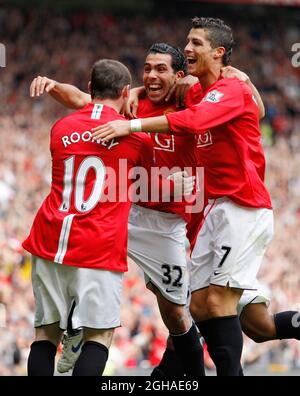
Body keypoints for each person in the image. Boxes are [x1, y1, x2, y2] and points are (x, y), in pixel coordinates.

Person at [90, 17, 276, 376]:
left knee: (215, 305)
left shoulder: (231, 90)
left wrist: (131, 125)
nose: (188, 48)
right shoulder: (193, 90)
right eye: (187, 42)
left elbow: (193, 122)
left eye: (196, 43)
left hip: (243, 204)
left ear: (219, 52)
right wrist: (138, 92)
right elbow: (171, 89)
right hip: (212, 211)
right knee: (231, 316)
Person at [23, 58, 186, 376]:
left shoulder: (60, 129)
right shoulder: (136, 139)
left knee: (45, 335)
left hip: (49, 240)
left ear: (89, 89)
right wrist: (173, 185)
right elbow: (140, 188)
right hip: (97, 246)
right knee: (100, 337)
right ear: (127, 92)